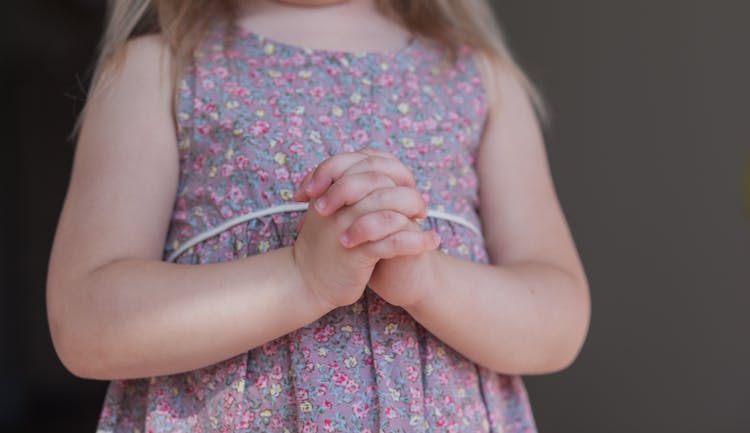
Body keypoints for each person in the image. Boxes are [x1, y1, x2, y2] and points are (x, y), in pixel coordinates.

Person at [46, 0, 591, 431]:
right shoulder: (159, 71)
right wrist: (300, 278)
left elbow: (558, 321)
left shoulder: (479, 82)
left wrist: (429, 283)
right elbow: (87, 324)